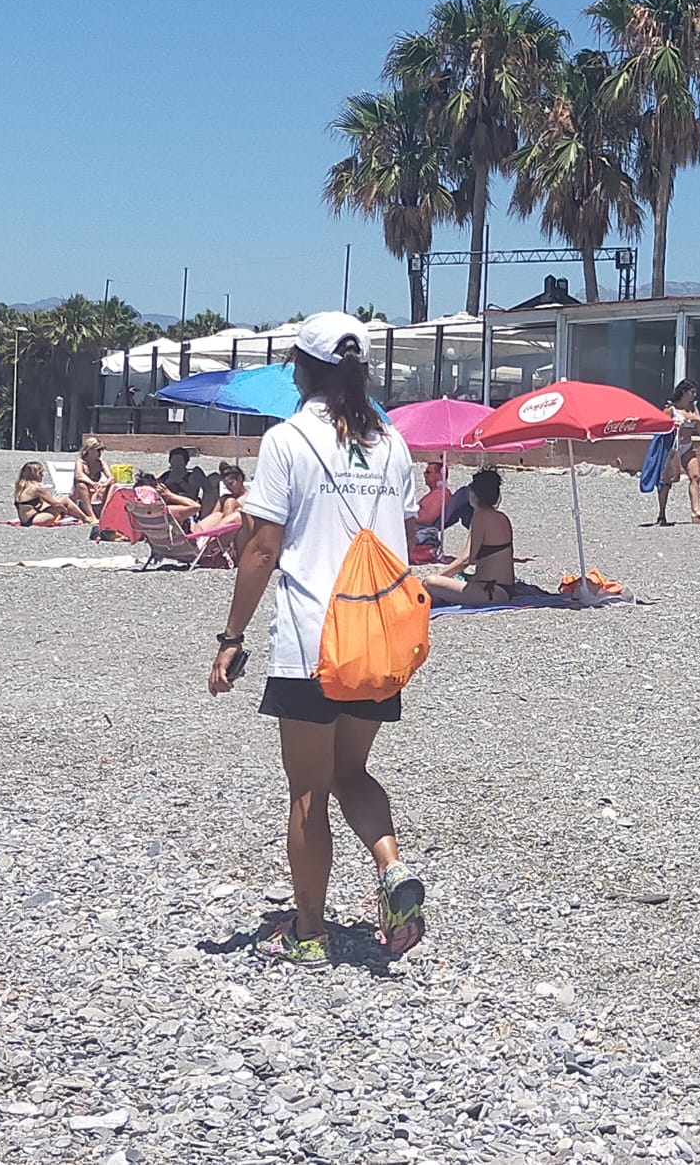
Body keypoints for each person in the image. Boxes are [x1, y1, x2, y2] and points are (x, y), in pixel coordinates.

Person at [208, 311, 425, 968]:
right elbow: (407, 536)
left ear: (301, 370)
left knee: (307, 790)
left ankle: (309, 931)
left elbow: (261, 548)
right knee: (350, 772)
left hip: (312, 638)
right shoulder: (391, 443)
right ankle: (390, 867)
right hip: (379, 635)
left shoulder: (288, 440)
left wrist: (232, 635)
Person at [424, 467, 518, 606]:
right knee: (448, 582)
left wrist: (439, 575)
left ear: (473, 495)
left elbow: (466, 559)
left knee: (430, 582)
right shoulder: (502, 517)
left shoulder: (480, 518)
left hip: (490, 591)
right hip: (502, 588)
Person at [657, 380, 700, 525]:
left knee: (695, 476)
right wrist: (676, 426)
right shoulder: (671, 409)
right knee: (667, 481)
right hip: (673, 447)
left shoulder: (693, 408)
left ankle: (696, 512)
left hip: (687, 446)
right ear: (684, 392)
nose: (694, 395)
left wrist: (697, 420)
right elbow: (660, 426)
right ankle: (662, 513)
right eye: (692, 392)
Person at [14, 462, 92, 526]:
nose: (42, 475)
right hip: (34, 520)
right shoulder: (36, 488)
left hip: (26, 520)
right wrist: (65, 510)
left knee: (59, 499)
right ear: (35, 474)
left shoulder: (21, 486)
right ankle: (85, 518)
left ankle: (82, 518)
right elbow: (56, 504)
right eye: (40, 473)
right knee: (64, 500)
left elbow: (38, 504)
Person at [73, 435, 115, 516]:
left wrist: (104, 484)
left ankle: (105, 512)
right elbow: (78, 475)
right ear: (90, 450)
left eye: (101, 450)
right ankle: (91, 515)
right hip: (80, 491)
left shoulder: (100, 463)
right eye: (98, 450)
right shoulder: (81, 462)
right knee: (81, 485)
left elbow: (112, 477)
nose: (100, 453)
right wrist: (92, 483)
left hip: (95, 490)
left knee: (112, 485)